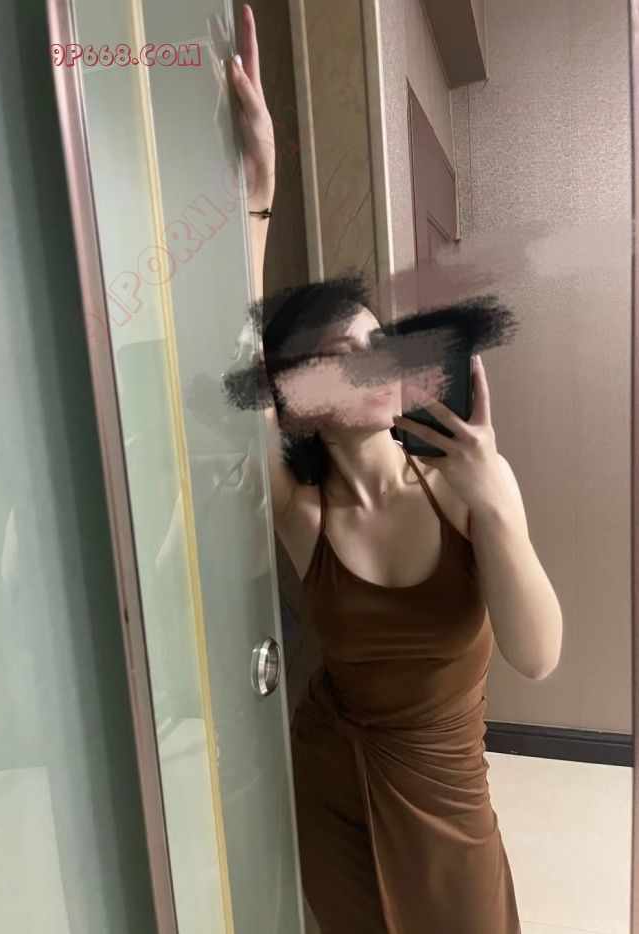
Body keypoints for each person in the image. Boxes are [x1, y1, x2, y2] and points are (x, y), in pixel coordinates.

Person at [229, 6, 562, 932]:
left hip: (448, 803)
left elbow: (538, 657)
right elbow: (237, 362)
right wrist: (259, 190)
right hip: (330, 782)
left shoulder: (465, 486)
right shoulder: (302, 514)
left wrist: (498, 508)